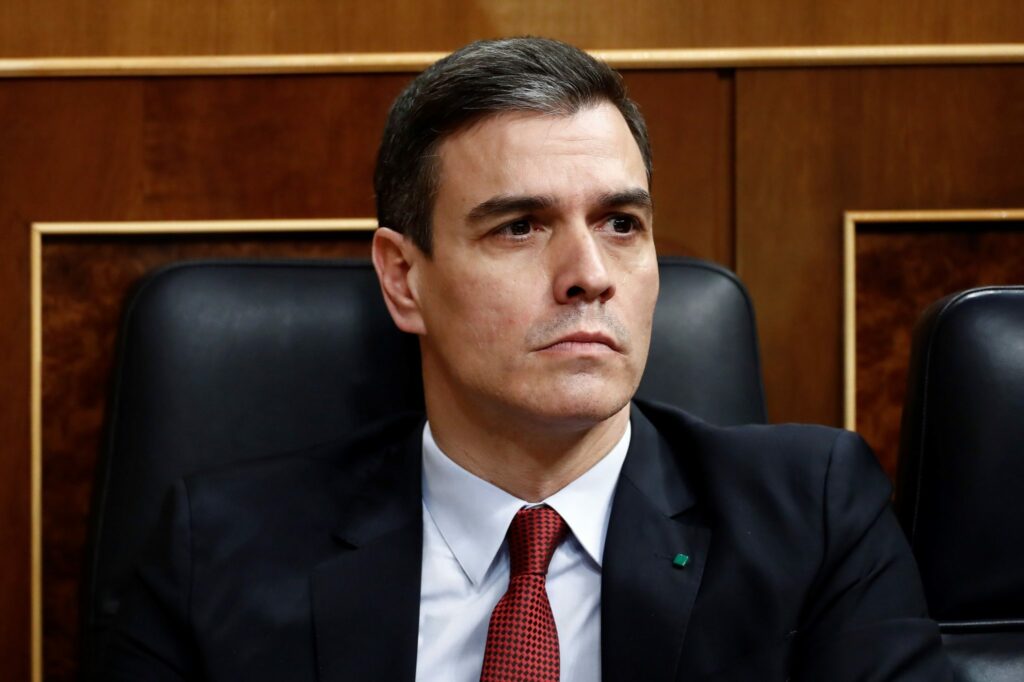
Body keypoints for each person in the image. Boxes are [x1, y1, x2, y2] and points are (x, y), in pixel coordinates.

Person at [104, 37, 952, 680]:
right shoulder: (219, 553)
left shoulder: (811, 518)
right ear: (404, 279)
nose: (590, 274)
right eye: (520, 227)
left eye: (621, 224)